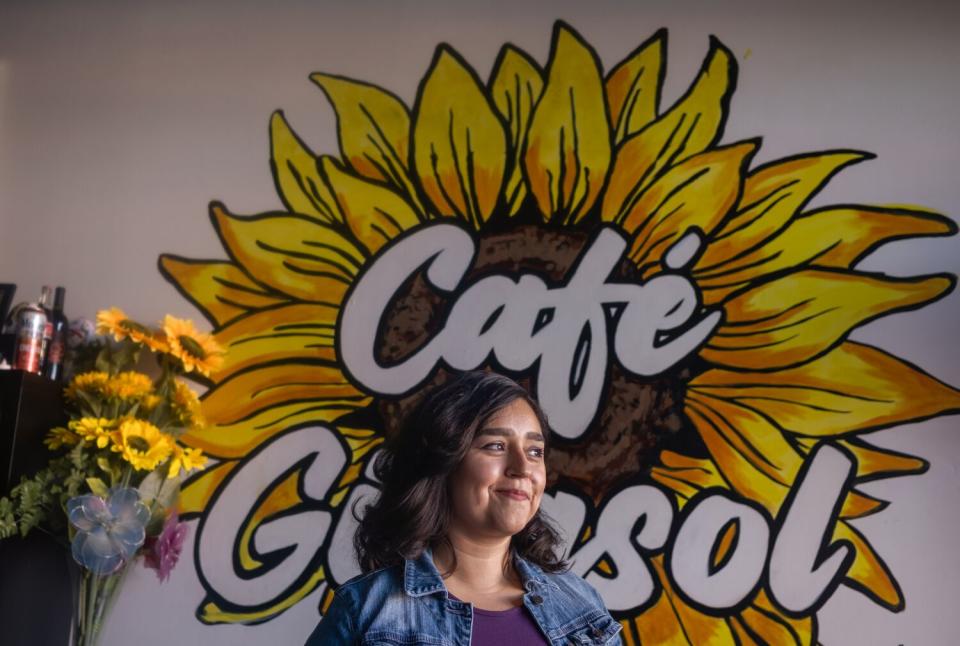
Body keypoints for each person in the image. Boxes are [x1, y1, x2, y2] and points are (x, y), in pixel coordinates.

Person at [306, 371, 622, 645]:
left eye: (535, 450)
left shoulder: (582, 607)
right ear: (444, 462)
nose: (522, 467)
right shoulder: (367, 611)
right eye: (495, 446)